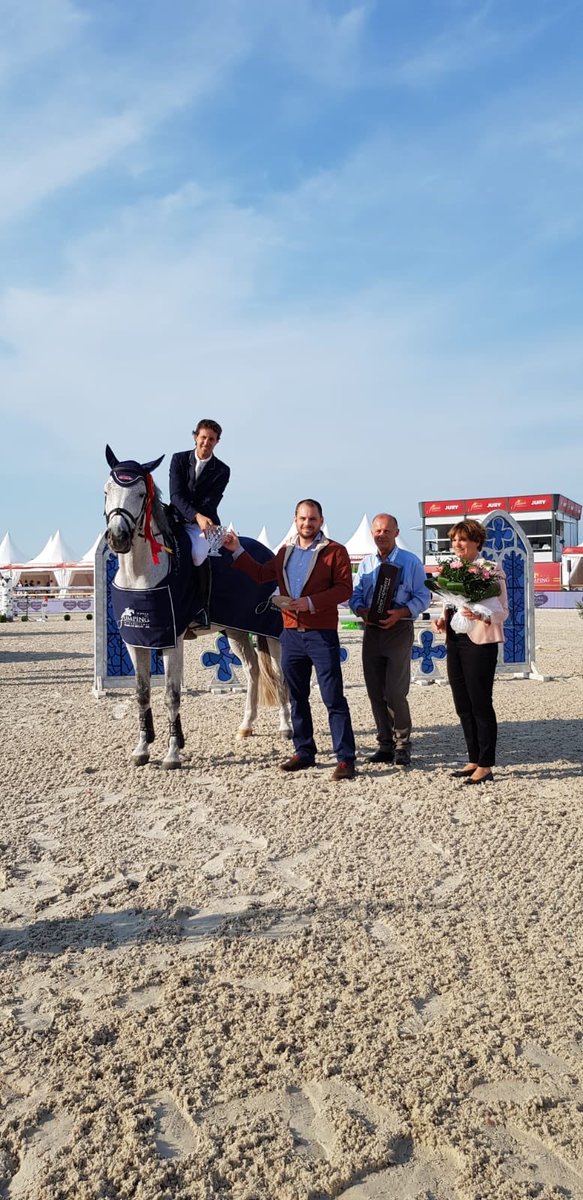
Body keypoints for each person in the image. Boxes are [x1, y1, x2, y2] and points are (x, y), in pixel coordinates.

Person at [222, 500, 357, 781]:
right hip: (290, 635)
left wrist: (309, 603)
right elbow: (261, 574)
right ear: (295, 520)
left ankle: (345, 758)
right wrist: (237, 551)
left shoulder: (335, 551)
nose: (307, 524)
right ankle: (304, 751)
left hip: (321, 634)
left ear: (321, 520)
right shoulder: (284, 552)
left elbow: (344, 589)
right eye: (303, 519)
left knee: (333, 697)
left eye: (313, 519)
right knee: (297, 696)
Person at [350, 514, 431, 767]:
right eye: (377, 531)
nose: (381, 535)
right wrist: (361, 611)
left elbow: (423, 596)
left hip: (399, 629)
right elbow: (355, 596)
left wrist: (401, 612)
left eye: (386, 530)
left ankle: (403, 743)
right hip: (372, 631)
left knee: (396, 691)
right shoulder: (365, 564)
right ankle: (385, 743)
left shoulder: (411, 562)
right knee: (375, 691)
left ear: (396, 533)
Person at [433, 520, 508, 785]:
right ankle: (473, 758)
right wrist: (442, 619)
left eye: (463, 540)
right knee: (462, 704)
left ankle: (486, 764)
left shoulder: (490, 569)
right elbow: (449, 602)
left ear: (477, 541)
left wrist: (479, 613)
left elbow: (502, 611)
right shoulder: (451, 569)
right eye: (454, 541)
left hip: (480, 642)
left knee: (480, 703)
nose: (457, 545)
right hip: (455, 640)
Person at [169, 419, 230, 566]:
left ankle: (201, 588)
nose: (206, 442)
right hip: (175, 518)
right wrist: (196, 515)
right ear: (195, 437)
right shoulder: (178, 459)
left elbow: (210, 502)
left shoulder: (223, 470)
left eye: (211, 439)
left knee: (197, 556)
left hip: (204, 523)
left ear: (217, 442)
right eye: (203, 437)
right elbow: (175, 495)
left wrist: (200, 519)